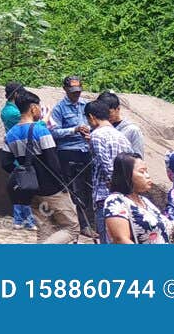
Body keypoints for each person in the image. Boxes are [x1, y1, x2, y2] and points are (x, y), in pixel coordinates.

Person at [2, 90, 78, 242]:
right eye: (39, 107)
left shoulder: (10, 134)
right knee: (72, 228)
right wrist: (64, 184)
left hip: (30, 190)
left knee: (45, 228)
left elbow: (6, 163)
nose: (40, 110)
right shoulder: (40, 130)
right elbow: (53, 161)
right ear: (33, 108)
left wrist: (24, 174)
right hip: (52, 189)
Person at [49, 75, 95, 236]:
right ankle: (78, 224)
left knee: (90, 187)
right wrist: (74, 130)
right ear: (65, 90)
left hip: (86, 150)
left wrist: (91, 132)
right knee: (74, 190)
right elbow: (53, 132)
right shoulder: (59, 109)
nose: (76, 94)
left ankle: (89, 222)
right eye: (72, 91)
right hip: (68, 152)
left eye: (78, 90)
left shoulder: (86, 105)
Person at [104, 153, 174, 244]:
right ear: (126, 174)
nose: (147, 176)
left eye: (147, 171)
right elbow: (121, 239)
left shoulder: (145, 201)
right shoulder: (115, 201)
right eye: (142, 172)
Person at [85, 97, 127, 237]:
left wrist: (113, 185)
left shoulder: (96, 135)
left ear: (91, 117)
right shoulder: (121, 136)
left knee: (106, 237)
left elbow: (106, 166)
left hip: (105, 196)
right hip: (124, 195)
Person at [0, 82, 33, 230]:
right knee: (22, 184)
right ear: (17, 95)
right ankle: (24, 219)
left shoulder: (9, 109)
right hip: (18, 148)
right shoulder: (13, 113)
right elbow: (26, 125)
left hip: (16, 146)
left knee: (20, 184)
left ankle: (21, 219)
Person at [96, 90, 144, 156]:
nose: (106, 115)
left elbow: (138, 157)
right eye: (102, 112)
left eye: (109, 112)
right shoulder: (97, 128)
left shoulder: (132, 130)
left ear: (118, 109)